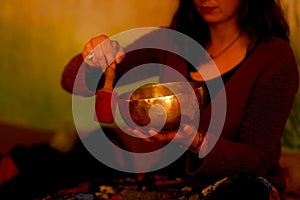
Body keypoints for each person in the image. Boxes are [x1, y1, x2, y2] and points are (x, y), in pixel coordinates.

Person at [0, 0, 299, 199]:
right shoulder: (173, 40)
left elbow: (257, 159)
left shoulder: (274, 58)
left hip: (231, 186)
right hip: (159, 174)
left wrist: (195, 141)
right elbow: (72, 81)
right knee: (66, 162)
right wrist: (94, 57)